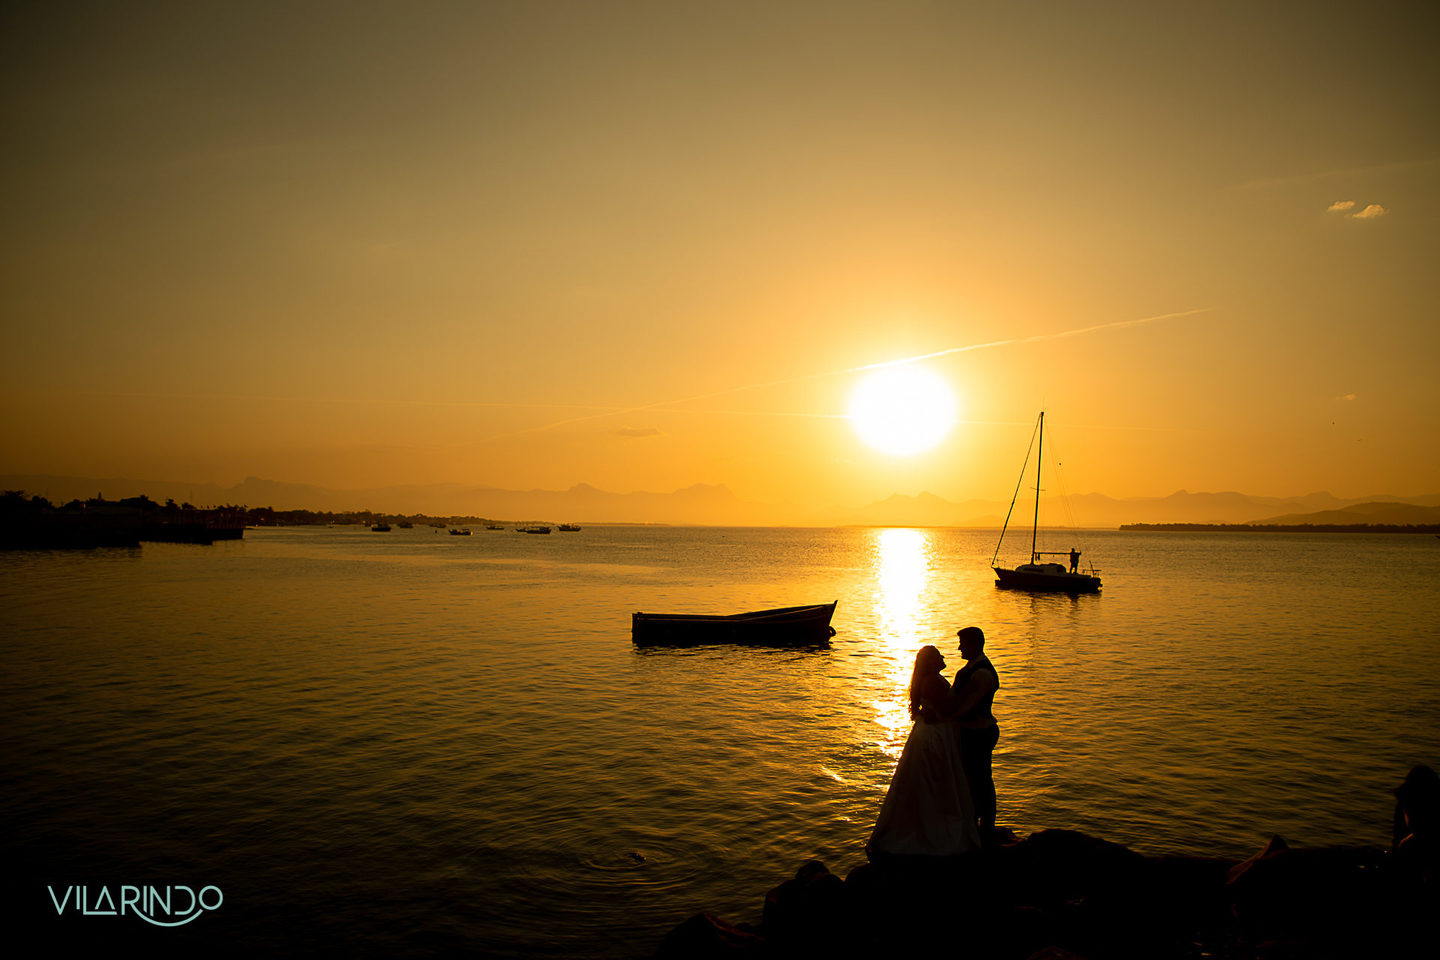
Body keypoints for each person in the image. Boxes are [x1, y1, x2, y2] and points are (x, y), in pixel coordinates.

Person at [867, 645, 980, 858]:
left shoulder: (930, 680)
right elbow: (948, 708)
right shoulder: (933, 682)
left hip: (930, 732)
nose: (943, 657)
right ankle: (934, 830)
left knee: (930, 782)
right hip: (934, 737)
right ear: (930, 661)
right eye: (939, 656)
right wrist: (967, 689)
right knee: (936, 781)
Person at [950, 626, 1000, 843]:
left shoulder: (981, 673)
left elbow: (967, 706)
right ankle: (975, 820)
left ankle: (986, 825)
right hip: (971, 731)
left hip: (979, 732)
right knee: (972, 778)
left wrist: (943, 716)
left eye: (963, 643)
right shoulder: (971, 669)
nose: (959, 648)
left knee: (981, 778)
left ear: (974, 644)